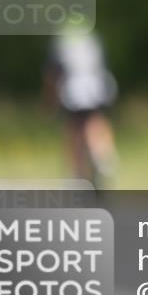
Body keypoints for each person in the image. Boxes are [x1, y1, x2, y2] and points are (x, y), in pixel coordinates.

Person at [43, 16, 119, 189]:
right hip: (98, 87)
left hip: (73, 90)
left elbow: (52, 76)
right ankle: (104, 156)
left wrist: (49, 102)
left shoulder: (60, 43)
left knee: (73, 129)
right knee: (96, 121)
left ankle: (78, 175)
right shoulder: (93, 41)